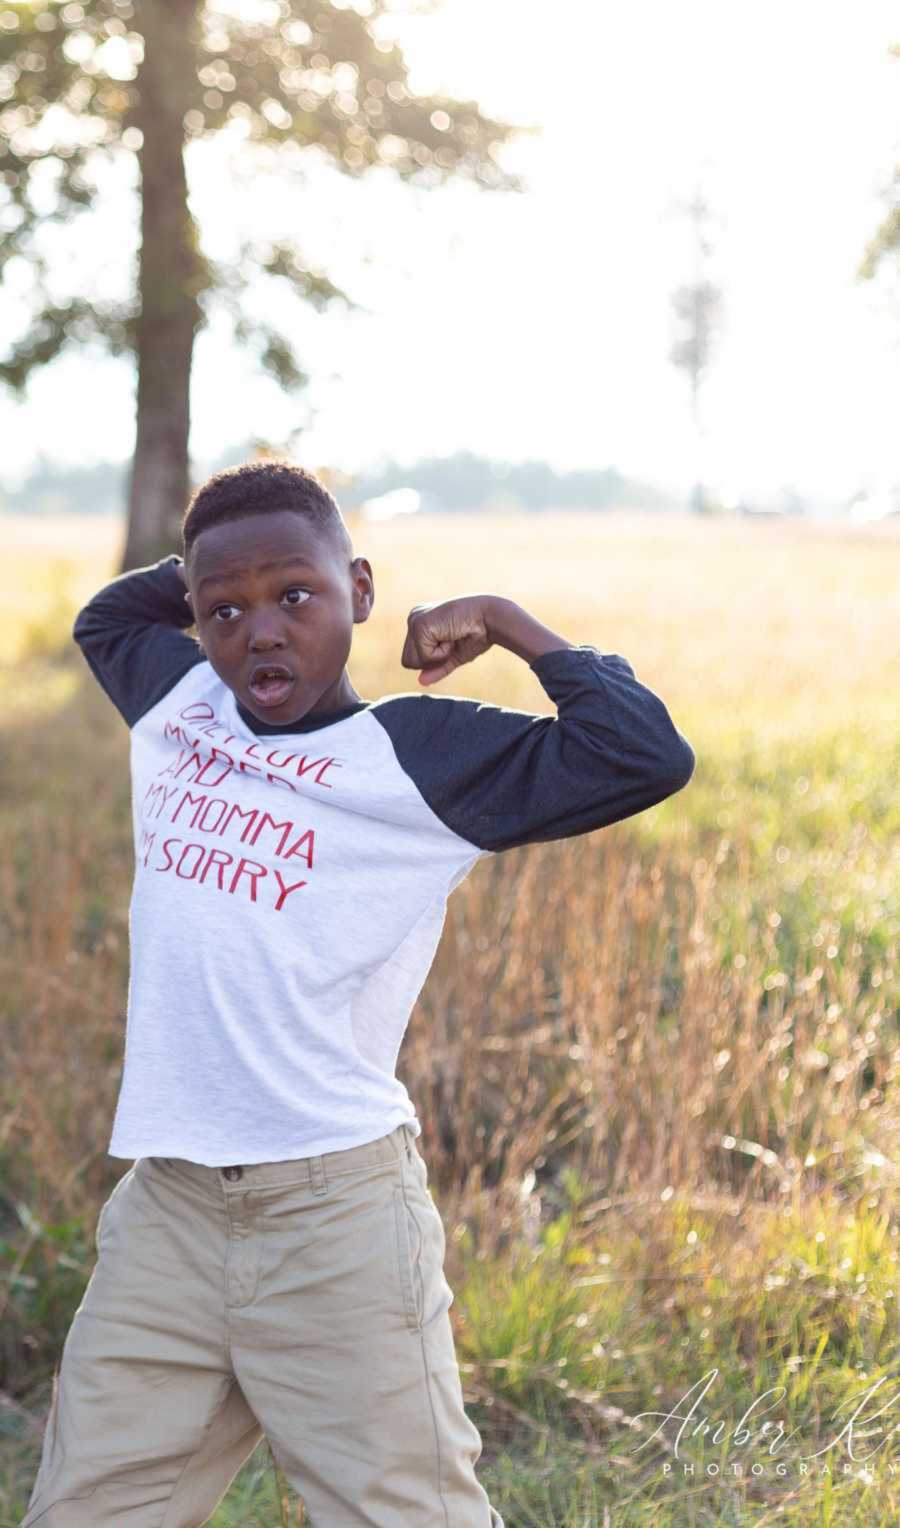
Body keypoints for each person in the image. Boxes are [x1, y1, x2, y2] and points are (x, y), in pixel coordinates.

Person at [22, 459, 695, 1527]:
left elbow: (642, 753)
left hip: (332, 1222)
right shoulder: (179, 702)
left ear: (363, 592)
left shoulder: (422, 757)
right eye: (226, 610)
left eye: (299, 595)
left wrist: (508, 622)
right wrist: (221, 559)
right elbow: (109, 613)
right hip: (169, 1216)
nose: (263, 632)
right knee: (85, 1508)